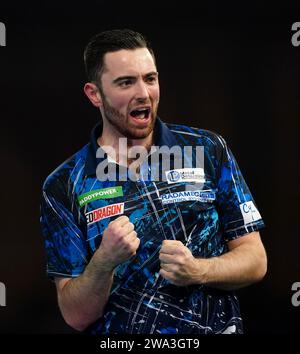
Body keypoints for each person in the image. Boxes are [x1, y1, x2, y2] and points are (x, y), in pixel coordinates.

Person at [40, 29, 267, 334]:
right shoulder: (64, 184)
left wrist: (197, 270)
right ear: (94, 94)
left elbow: (255, 260)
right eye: (126, 82)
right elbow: (75, 315)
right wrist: (104, 260)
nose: (144, 93)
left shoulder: (207, 150)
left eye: (150, 78)